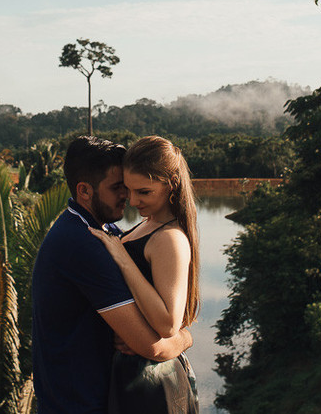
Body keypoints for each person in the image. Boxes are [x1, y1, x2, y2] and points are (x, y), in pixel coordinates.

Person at [32, 135, 194, 414]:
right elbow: (152, 346)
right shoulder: (83, 243)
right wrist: (185, 339)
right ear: (84, 191)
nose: (129, 198)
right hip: (79, 405)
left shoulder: (104, 231)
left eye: (134, 189)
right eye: (119, 188)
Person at [87, 136, 199, 414]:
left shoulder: (169, 238)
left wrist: (123, 260)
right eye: (128, 190)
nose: (133, 200)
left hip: (153, 383)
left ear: (171, 183)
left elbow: (168, 324)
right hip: (136, 376)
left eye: (144, 192)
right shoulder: (148, 225)